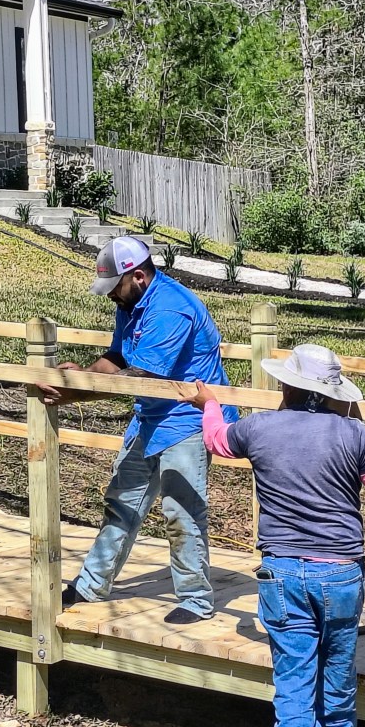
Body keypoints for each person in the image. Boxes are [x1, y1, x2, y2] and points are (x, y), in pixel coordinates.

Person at [182, 344, 365, 727]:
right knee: (338, 665)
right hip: (341, 572)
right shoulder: (354, 435)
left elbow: (217, 440)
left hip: (283, 572)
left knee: (294, 670)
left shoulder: (259, 428)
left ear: (286, 385)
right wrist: (356, 423)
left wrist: (209, 403)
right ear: (334, 393)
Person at [40, 235, 238, 625]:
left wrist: (75, 394)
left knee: (181, 511)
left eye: (115, 286)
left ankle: (196, 599)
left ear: (139, 277)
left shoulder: (171, 309)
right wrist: (80, 377)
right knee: (122, 502)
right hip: (150, 416)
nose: (111, 295)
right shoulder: (131, 304)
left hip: (187, 419)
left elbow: (141, 376)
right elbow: (117, 359)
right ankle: (92, 585)